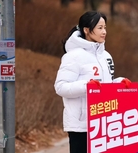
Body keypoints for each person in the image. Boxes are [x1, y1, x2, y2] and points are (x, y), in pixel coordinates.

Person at [54, 11, 131, 153]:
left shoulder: (106, 56)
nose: (104, 32)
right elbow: (60, 87)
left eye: (105, 27)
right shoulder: (73, 56)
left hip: (103, 121)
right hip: (81, 125)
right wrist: (86, 86)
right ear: (87, 30)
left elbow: (105, 85)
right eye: (100, 28)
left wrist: (119, 83)